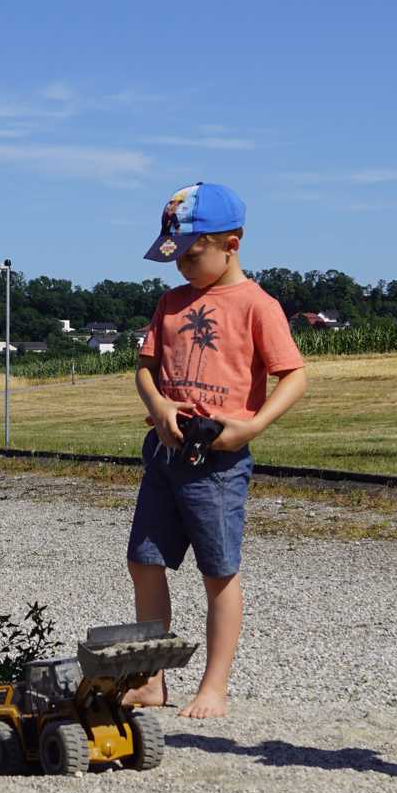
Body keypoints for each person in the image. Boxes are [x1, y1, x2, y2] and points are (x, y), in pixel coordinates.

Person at [121, 183, 307, 719]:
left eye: (190, 252)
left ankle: (214, 687)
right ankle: (151, 678)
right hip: (163, 453)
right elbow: (145, 367)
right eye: (174, 253)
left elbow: (294, 376)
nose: (179, 263)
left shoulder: (257, 305)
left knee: (218, 570)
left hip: (218, 460)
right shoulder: (171, 303)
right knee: (143, 561)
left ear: (232, 242)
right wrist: (157, 406)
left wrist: (251, 427)